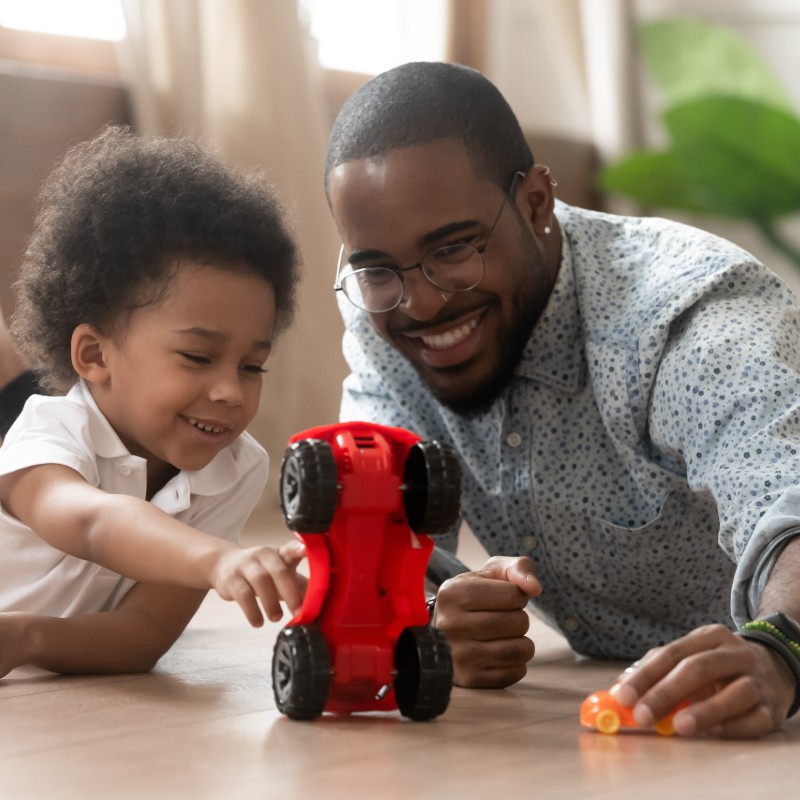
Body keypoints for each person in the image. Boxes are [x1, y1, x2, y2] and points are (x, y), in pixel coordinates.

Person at [324, 61, 800, 739]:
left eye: (454, 249)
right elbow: (374, 547)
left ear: (537, 204)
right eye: (376, 269)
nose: (422, 302)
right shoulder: (386, 320)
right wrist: (431, 619)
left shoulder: (684, 313)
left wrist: (781, 648)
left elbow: (791, 492)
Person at [0, 126, 306, 678]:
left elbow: (142, 635)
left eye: (252, 366)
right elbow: (93, 524)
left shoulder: (236, 469)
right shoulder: (50, 432)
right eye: (196, 356)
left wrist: (26, 636)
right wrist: (218, 559)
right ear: (94, 354)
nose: (231, 392)